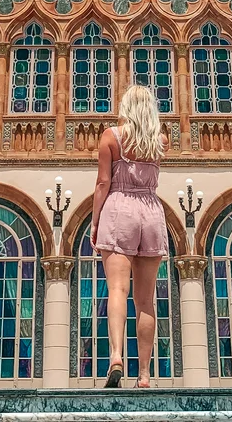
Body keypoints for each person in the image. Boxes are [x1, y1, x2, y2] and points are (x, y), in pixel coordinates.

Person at [90, 84, 168, 388]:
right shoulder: (160, 141)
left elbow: (102, 183)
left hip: (119, 208)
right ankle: (145, 375)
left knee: (118, 290)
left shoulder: (111, 137)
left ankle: (116, 357)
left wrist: (96, 223)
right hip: (150, 210)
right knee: (146, 300)